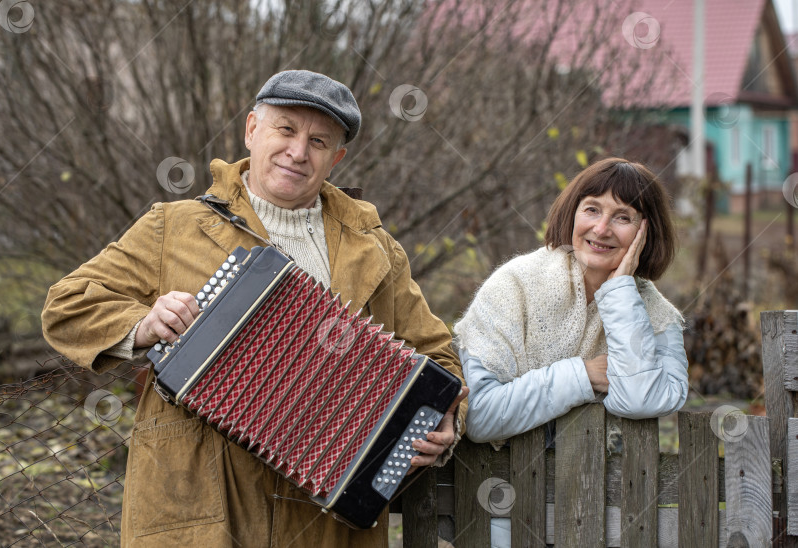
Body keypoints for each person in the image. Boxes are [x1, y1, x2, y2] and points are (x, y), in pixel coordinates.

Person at [42, 70, 467, 547]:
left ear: (336, 158)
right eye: (285, 129)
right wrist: (141, 325)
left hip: (326, 520)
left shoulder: (377, 250)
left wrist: (446, 418)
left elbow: (441, 359)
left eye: (319, 141)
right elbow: (67, 305)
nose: (298, 151)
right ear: (251, 130)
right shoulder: (175, 226)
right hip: (201, 507)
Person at [453, 158, 687, 546]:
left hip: (607, 508)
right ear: (572, 213)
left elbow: (641, 398)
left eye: (623, 217)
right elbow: (480, 414)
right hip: (505, 508)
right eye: (592, 209)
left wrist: (619, 292)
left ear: (647, 232)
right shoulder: (514, 286)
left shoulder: (657, 316)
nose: (601, 228)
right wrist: (584, 375)